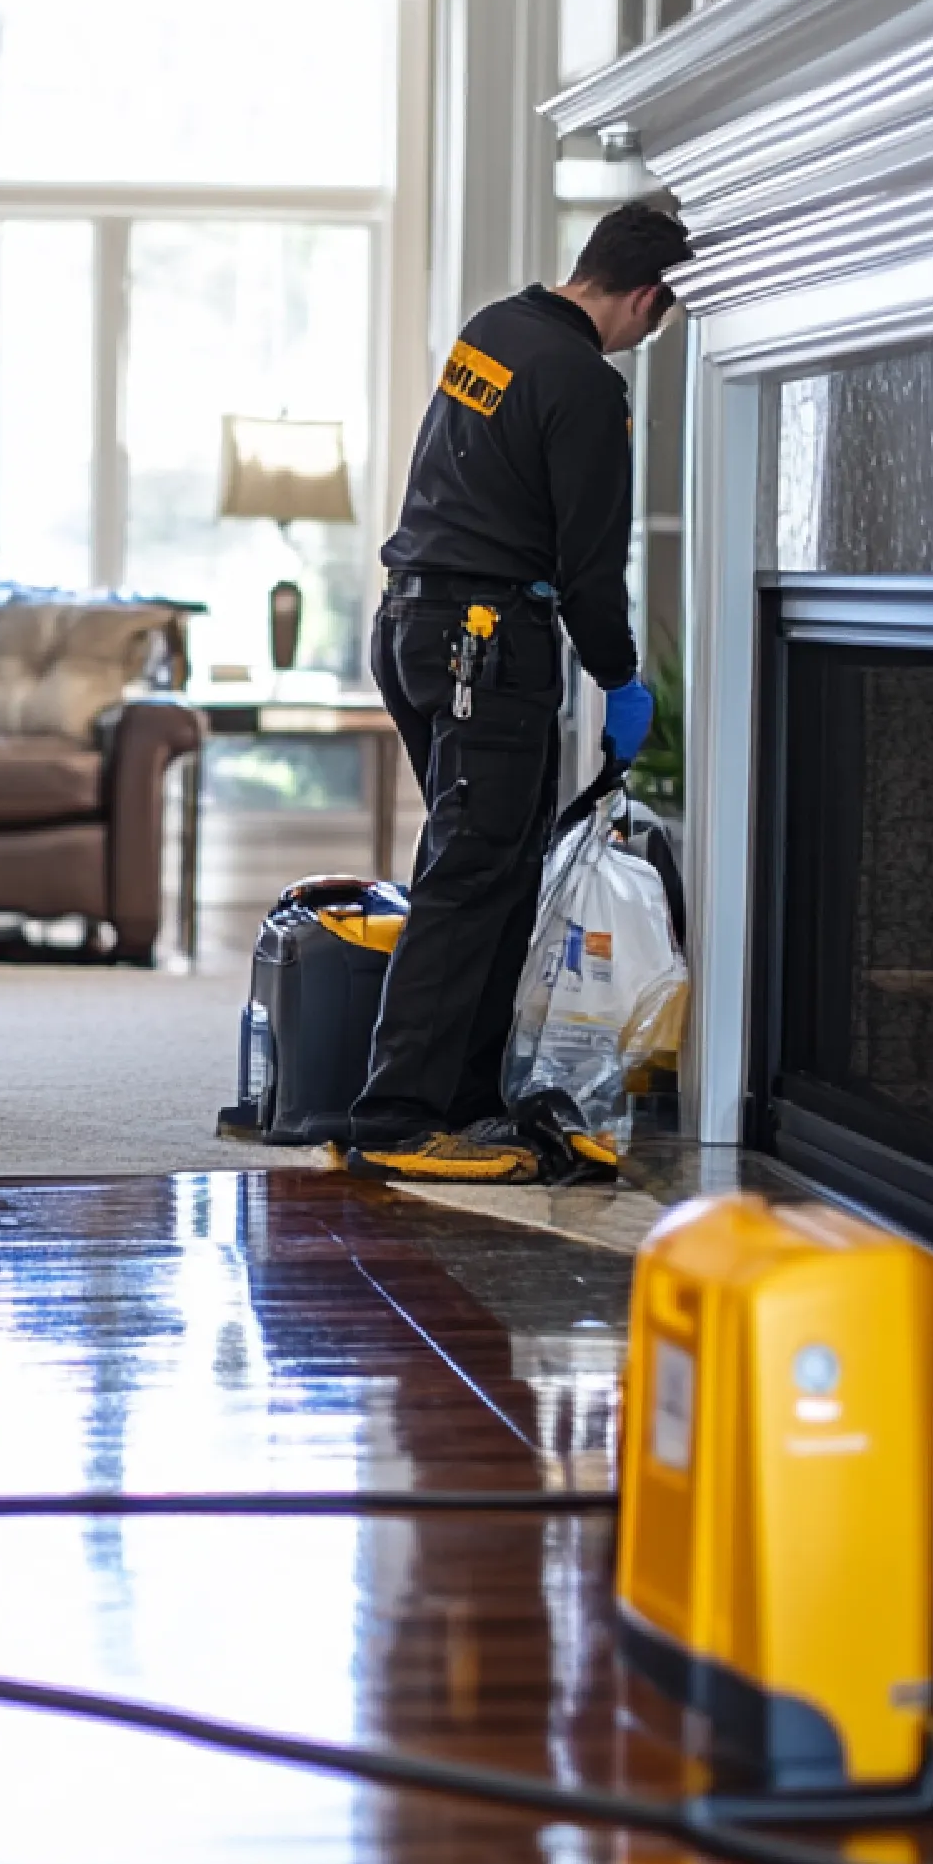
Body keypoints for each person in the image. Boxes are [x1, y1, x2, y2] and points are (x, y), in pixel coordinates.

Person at [347, 201, 688, 1183]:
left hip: (415, 632)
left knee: (488, 871)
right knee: (472, 876)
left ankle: (459, 1102)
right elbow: (590, 565)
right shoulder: (581, 381)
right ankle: (400, 1114)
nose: (645, 337)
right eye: (655, 319)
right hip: (485, 646)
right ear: (647, 296)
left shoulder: (493, 329)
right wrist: (621, 678)